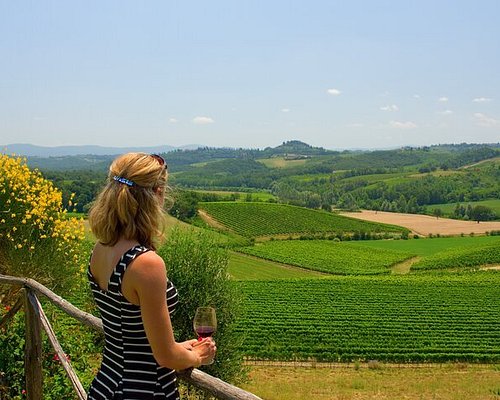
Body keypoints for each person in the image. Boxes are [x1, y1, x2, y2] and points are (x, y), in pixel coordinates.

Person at [87, 153, 216, 400]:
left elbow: (131, 336)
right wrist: (198, 356)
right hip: (144, 390)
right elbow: (164, 357)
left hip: (106, 385)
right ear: (156, 194)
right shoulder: (146, 263)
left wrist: (183, 348)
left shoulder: (100, 249)